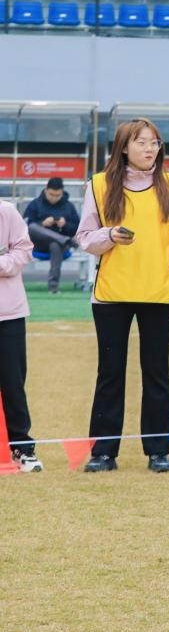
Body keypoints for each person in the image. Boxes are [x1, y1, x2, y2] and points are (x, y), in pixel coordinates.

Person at [76, 118, 169, 473]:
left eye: (155, 142)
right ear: (124, 147)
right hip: (112, 293)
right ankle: (103, 452)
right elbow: (85, 238)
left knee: (156, 372)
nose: (149, 149)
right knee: (110, 373)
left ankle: (158, 451)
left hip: (159, 291)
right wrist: (109, 235)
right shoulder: (98, 185)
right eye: (141, 142)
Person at [0, 200, 39, 472]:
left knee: (12, 382)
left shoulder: (6, 212)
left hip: (8, 312)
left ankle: (22, 446)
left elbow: (24, 250)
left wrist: (1, 263)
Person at [23, 176, 80, 293]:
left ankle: (53, 286)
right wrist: (42, 224)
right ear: (46, 190)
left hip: (59, 246)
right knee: (33, 227)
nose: (54, 198)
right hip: (38, 243)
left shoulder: (69, 206)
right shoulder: (35, 204)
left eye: (57, 195)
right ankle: (64, 239)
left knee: (55, 245)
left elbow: (77, 228)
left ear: (62, 192)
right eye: (51, 194)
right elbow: (24, 226)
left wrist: (65, 225)